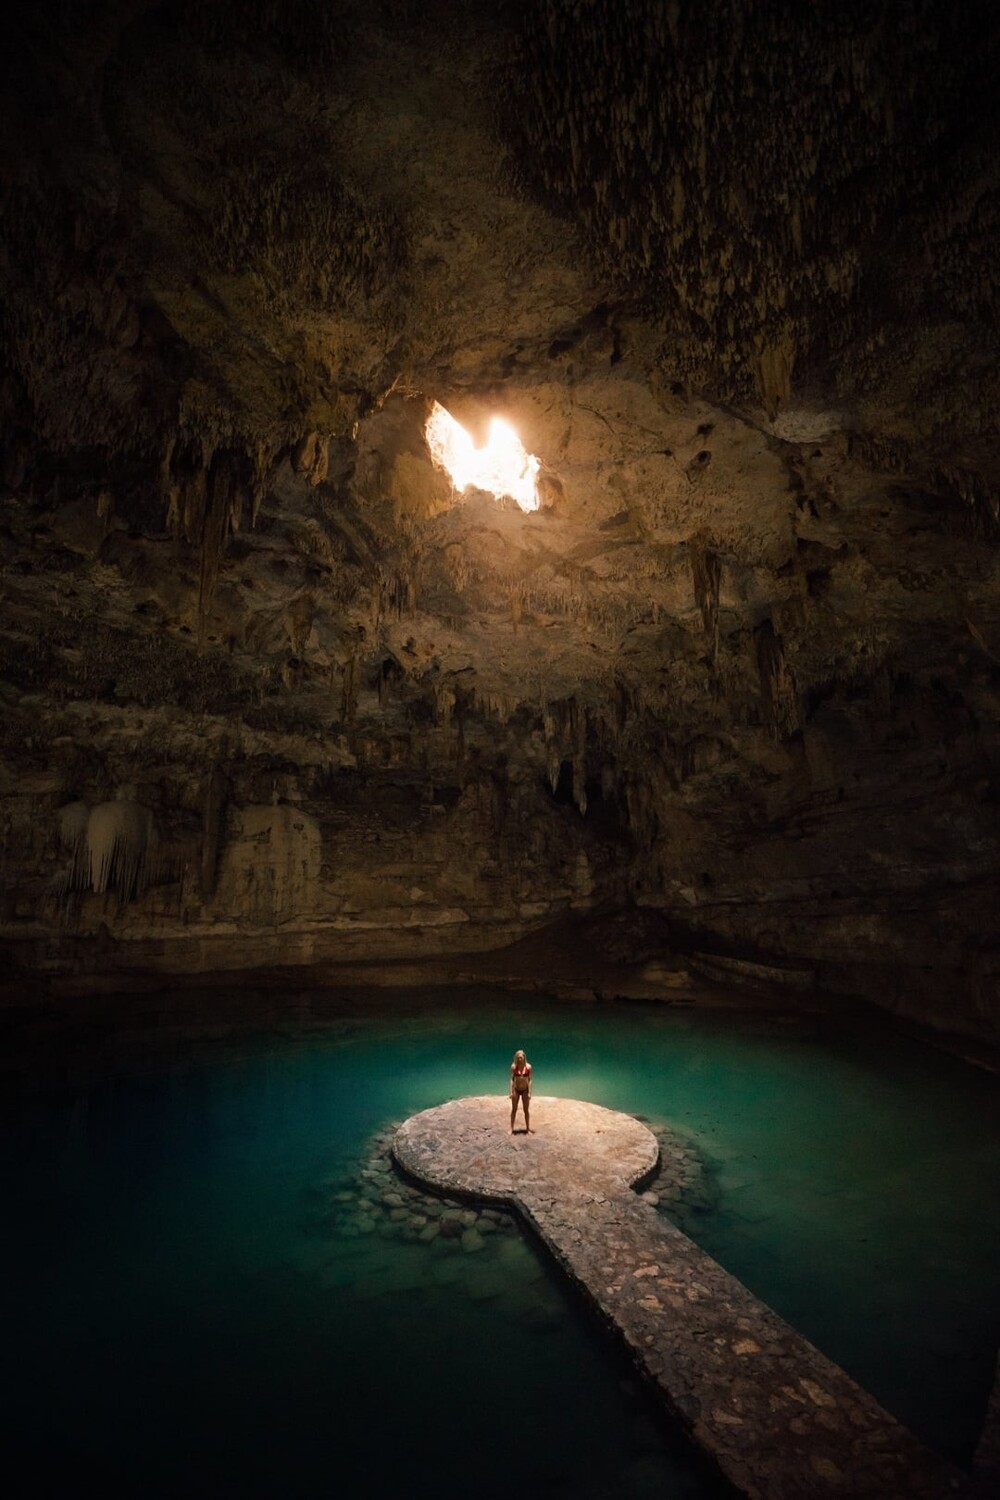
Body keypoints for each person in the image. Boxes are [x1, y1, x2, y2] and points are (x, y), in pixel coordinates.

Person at [510, 1049, 532, 1134]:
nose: (520, 1059)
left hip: (525, 1090)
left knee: (526, 1110)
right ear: (516, 1058)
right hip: (516, 1090)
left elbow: (530, 1080)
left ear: (524, 1057)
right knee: (514, 1109)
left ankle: (528, 1129)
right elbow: (512, 1079)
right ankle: (511, 1129)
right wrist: (510, 1092)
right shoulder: (513, 1066)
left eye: (521, 1058)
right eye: (518, 1058)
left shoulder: (529, 1067)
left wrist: (530, 1092)